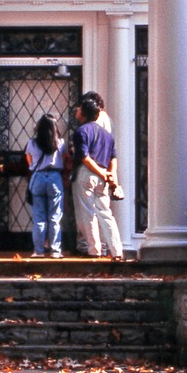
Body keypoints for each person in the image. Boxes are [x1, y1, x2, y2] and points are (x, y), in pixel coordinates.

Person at [70, 94, 125, 259]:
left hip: (87, 174)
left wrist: (99, 172)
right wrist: (109, 175)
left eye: (79, 108)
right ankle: (117, 250)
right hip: (103, 176)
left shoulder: (81, 132)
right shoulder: (107, 135)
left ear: (84, 112)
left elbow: (84, 157)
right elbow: (113, 157)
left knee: (88, 213)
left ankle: (94, 251)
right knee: (106, 213)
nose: (77, 110)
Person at [24, 114, 67, 258]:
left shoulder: (32, 143)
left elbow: (29, 162)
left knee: (39, 217)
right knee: (55, 217)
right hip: (55, 178)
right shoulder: (60, 143)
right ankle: (55, 250)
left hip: (38, 178)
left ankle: (38, 251)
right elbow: (65, 159)